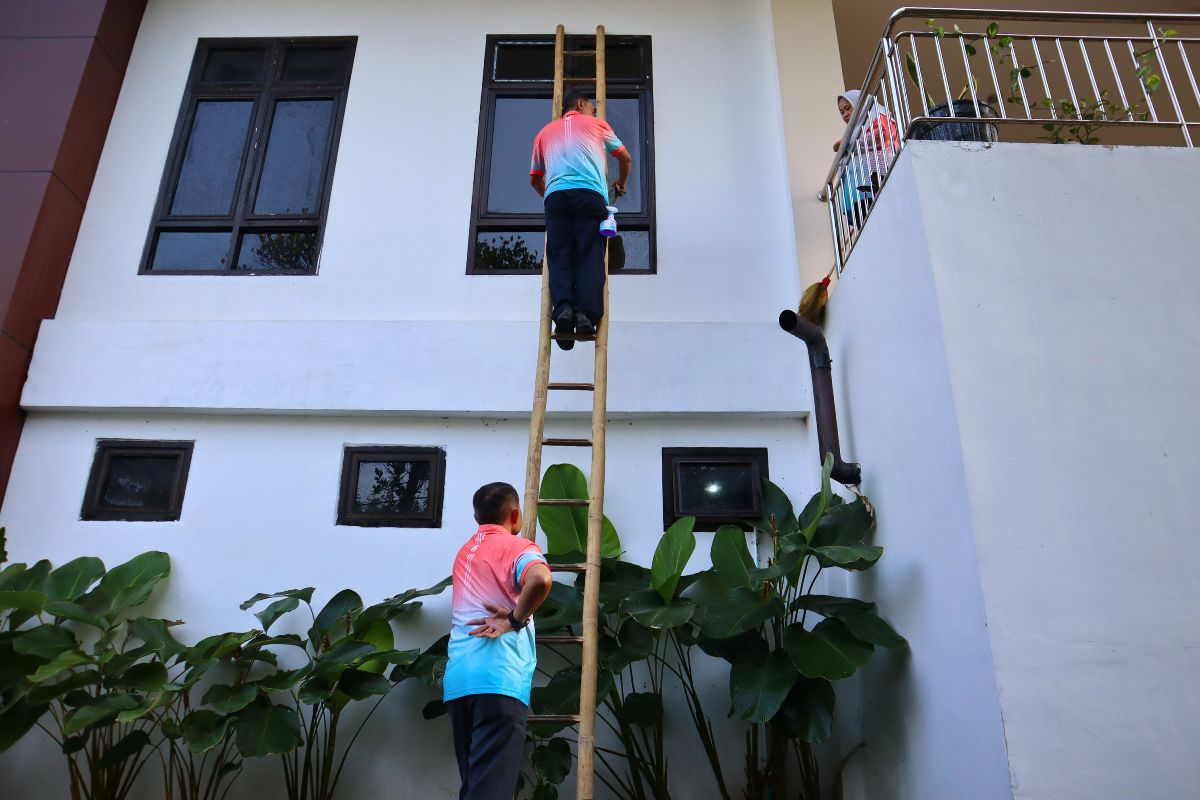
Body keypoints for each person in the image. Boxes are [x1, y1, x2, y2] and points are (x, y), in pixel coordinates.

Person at [443, 482, 554, 800]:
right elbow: (540, 578)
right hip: (499, 681)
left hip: (459, 685)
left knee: (475, 788)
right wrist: (514, 620)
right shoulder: (517, 547)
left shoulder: (464, 554)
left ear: (476, 517)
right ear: (516, 515)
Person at [530, 90, 633, 350]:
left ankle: (564, 309)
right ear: (580, 104)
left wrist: (552, 198)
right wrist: (621, 182)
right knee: (590, 254)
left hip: (556, 198)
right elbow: (625, 157)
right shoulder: (597, 125)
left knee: (559, 254)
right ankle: (586, 314)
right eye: (591, 108)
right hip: (589, 195)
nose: (594, 112)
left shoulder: (543, 133)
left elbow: (535, 178)